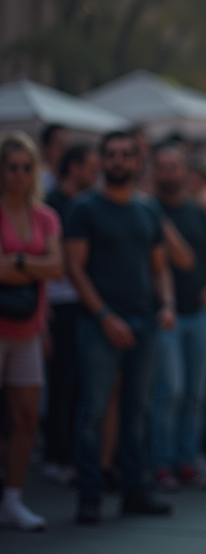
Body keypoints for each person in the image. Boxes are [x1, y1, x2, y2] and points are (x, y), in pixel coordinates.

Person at [66, 130, 175, 524]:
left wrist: (166, 304)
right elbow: (74, 269)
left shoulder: (148, 211)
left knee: (138, 411)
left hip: (145, 321)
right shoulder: (85, 209)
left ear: (135, 161)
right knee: (93, 412)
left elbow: (159, 267)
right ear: (101, 159)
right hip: (100, 325)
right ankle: (89, 496)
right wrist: (104, 317)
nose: (117, 161)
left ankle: (135, 491)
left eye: (124, 155)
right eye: (110, 154)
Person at [150, 144, 206, 490]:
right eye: (162, 167)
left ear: (184, 171)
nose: (169, 173)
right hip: (165, 315)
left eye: (174, 166)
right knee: (172, 392)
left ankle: (187, 460)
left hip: (198, 313)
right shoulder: (148, 213)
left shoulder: (198, 213)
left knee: (196, 395)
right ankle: (161, 463)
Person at [0, 132, 64, 530]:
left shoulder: (45, 216)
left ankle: (13, 498)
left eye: (27, 167)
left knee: (26, 419)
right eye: (12, 167)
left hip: (30, 328)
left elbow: (57, 269)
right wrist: (34, 263)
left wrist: (17, 260)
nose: (20, 174)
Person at [40, 144, 96, 485]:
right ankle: (55, 455)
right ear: (74, 167)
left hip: (82, 303)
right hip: (57, 304)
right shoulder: (53, 204)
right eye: (91, 165)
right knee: (61, 383)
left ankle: (71, 456)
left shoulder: (87, 203)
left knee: (78, 384)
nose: (96, 172)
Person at [39, 124, 69, 194]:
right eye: (59, 144)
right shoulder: (36, 178)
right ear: (45, 147)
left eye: (66, 144)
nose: (64, 148)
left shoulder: (70, 181)